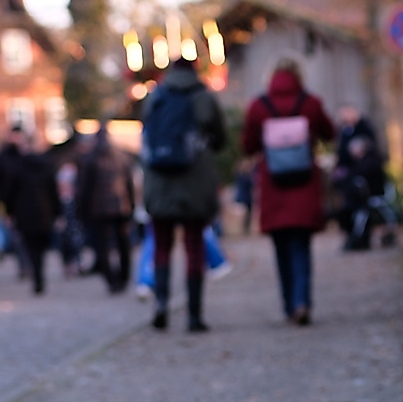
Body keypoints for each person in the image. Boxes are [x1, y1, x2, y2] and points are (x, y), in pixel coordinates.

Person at [242, 58, 336, 326]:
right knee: (301, 248)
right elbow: (329, 133)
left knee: (281, 249)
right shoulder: (310, 103)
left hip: (274, 187)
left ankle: (288, 305)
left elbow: (248, 145)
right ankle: (302, 301)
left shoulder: (258, 107)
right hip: (304, 186)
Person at [141, 57, 227, 332]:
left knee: (162, 247)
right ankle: (193, 315)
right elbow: (222, 139)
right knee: (194, 246)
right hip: (194, 182)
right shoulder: (203, 97)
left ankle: (162, 304)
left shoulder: (155, 98)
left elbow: (145, 134)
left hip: (159, 183)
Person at [77, 126, 136, 294]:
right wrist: (130, 206)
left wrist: (81, 211)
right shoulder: (121, 156)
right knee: (123, 244)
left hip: (99, 210)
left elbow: (84, 189)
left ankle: (111, 280)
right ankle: (123, 278)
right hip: (120, 207)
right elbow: (129, 185)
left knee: (102, 246)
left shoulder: (90, 159)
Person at [2, 140, 61, 295]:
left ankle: (37, 276)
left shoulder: (18, 168)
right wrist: (58, 213)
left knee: (30, 248)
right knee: (41, 247)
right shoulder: (47, 166)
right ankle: (39, 274)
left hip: (25, 214)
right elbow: (54, 192)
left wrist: (9, 213)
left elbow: (10, 194)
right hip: (45, 213)